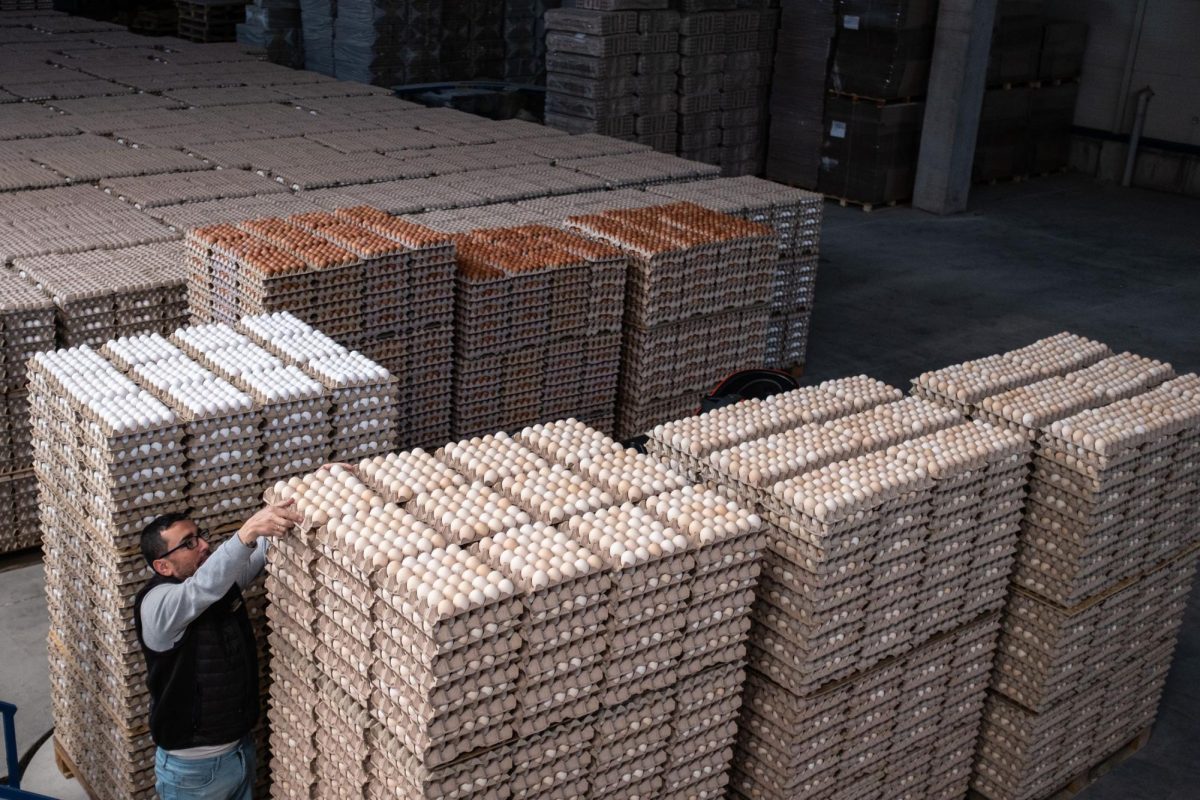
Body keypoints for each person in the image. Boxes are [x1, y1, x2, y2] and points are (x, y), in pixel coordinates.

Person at [134, 501, 303, 800]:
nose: (203, 544)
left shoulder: (217, 583)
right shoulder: (157, 606)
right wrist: (244, 534)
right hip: (194, 772)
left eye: (199, 535)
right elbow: (200, 590)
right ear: (162, 566)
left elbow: (261, 546)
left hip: (238, 752)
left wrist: (316, 486)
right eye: (188, 544)